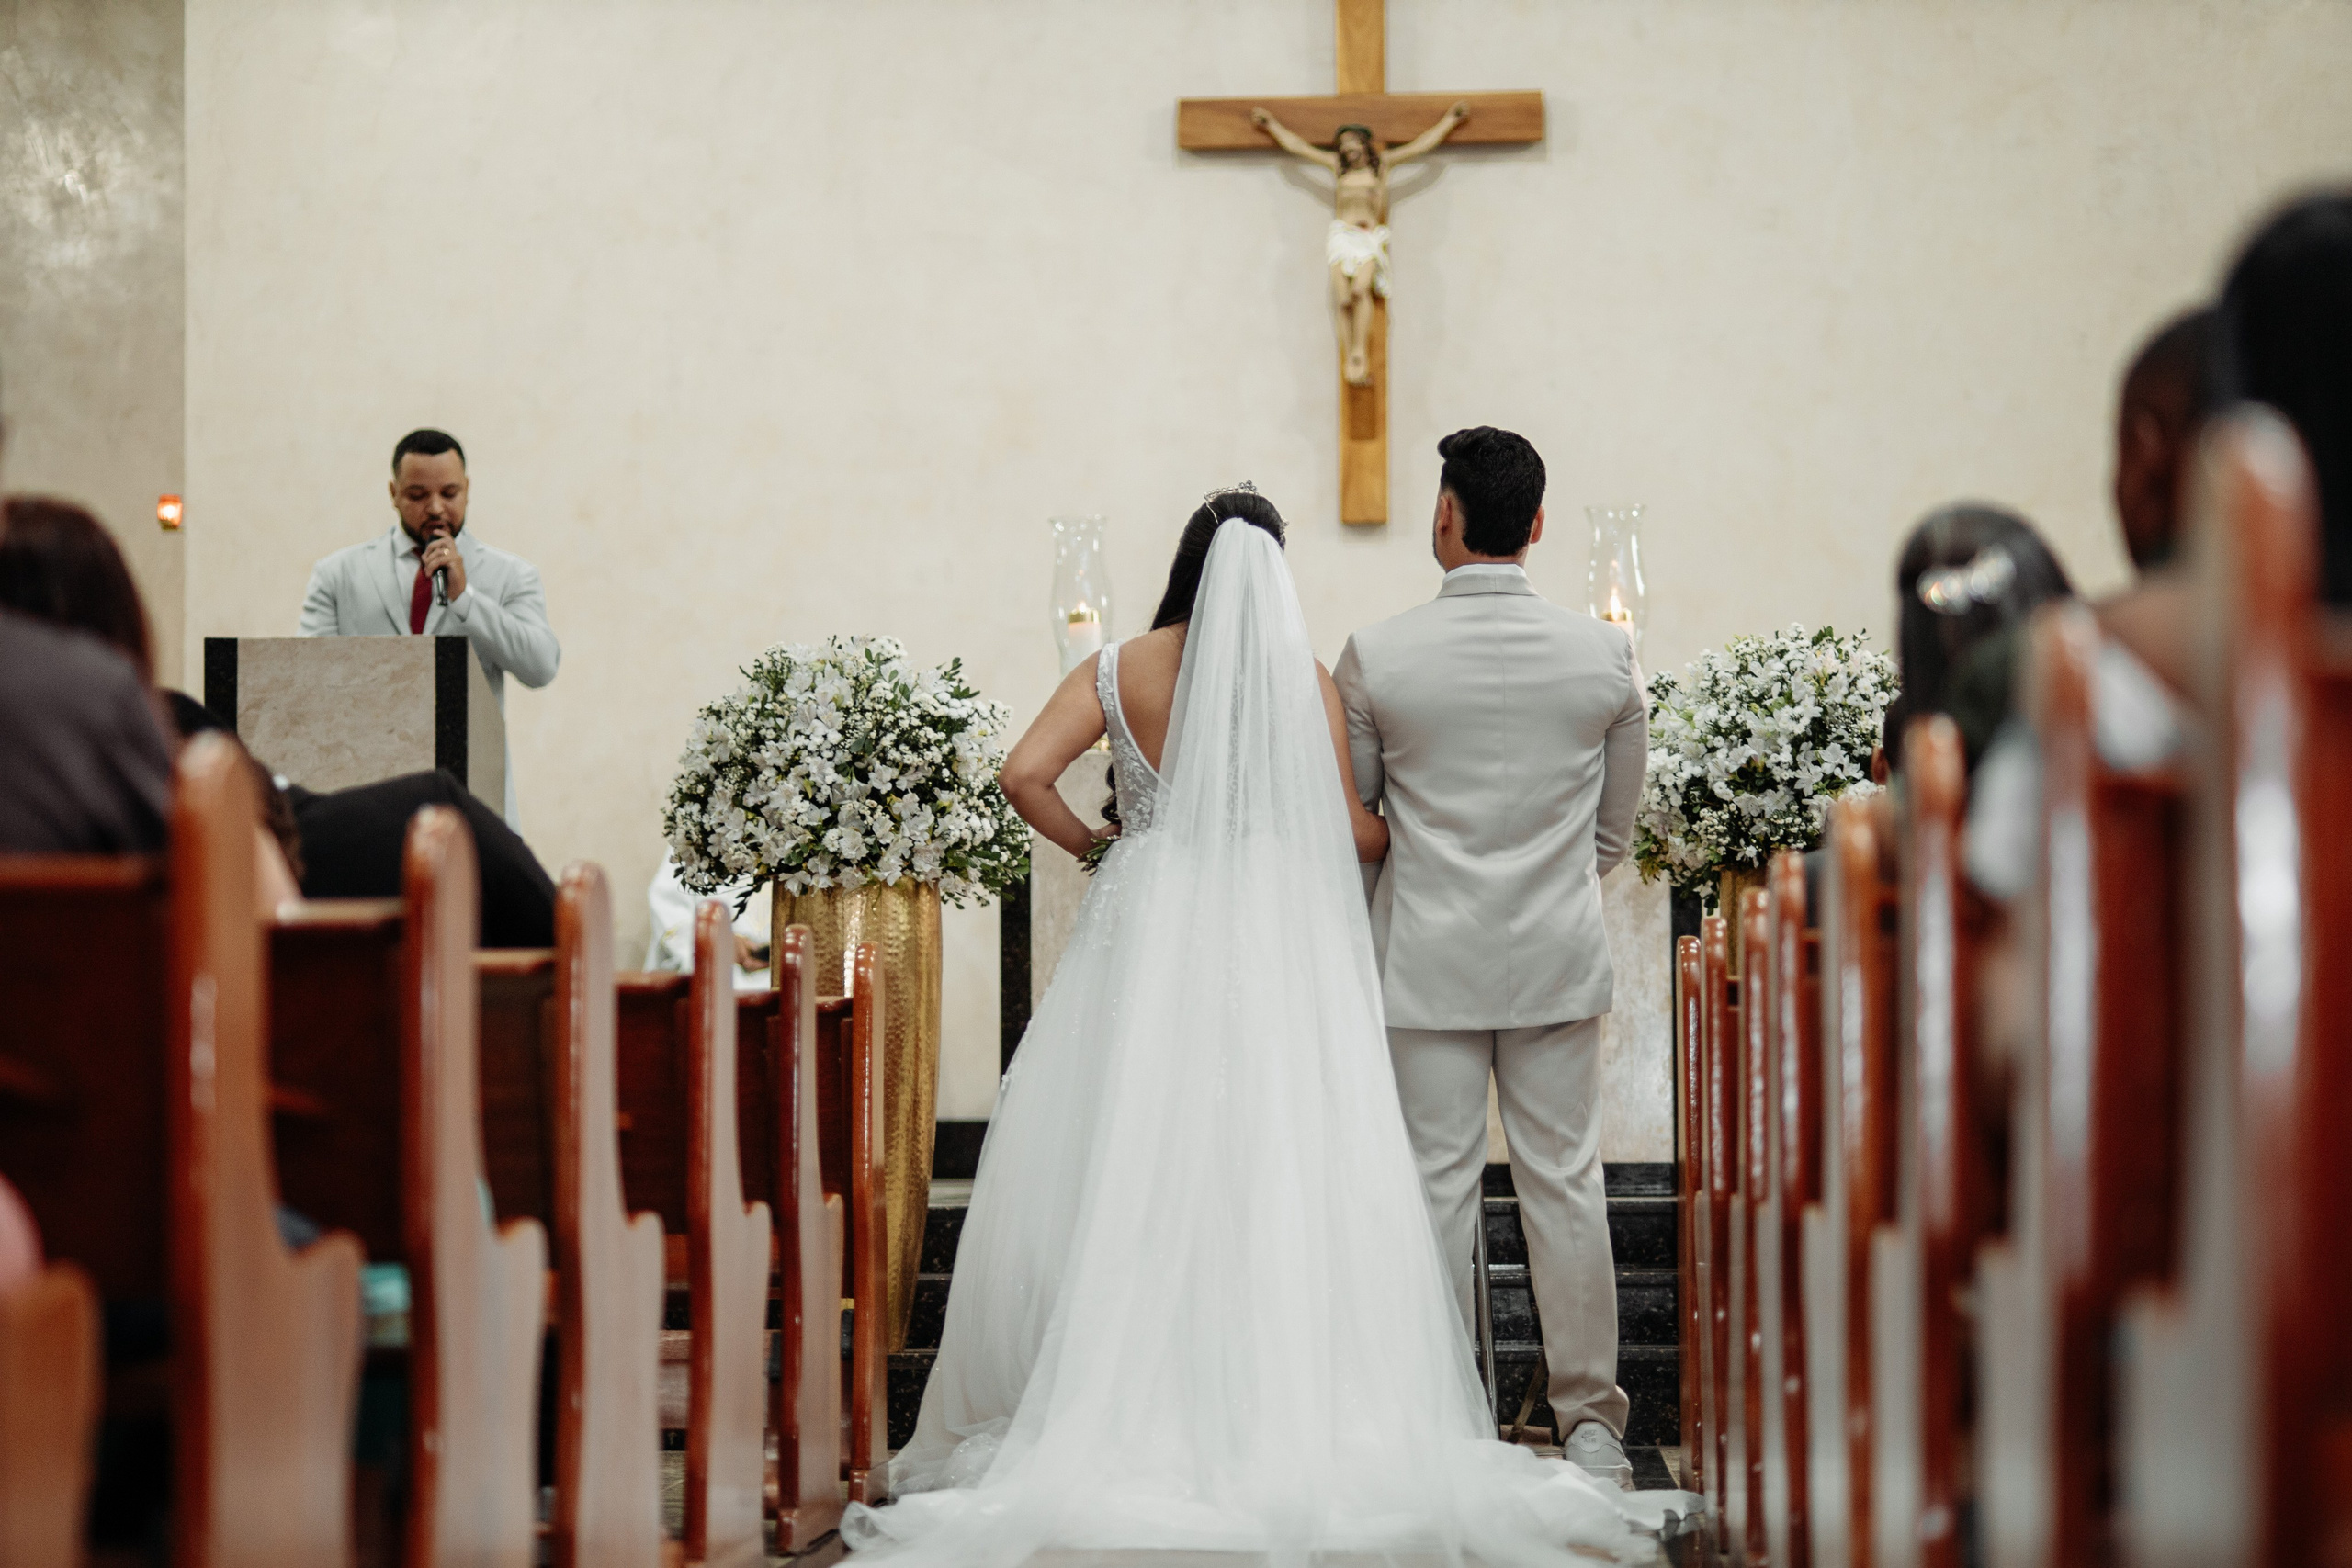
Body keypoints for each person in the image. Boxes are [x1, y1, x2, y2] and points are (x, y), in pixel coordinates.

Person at [846, 487, 1676, 1563]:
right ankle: (1283, 1391)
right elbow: (1357, 836)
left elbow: (1021, 775)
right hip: (1273, 936)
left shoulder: (1124, 667)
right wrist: (1428, 823)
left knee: (1132, 1157)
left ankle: (1116, 1392)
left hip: (1149, 932)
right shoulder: (1305, 681)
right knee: (1272, 1158)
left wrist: (1102, 849)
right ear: (1272, 571)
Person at [1333, 426, 1651, 1485]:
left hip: (1424, 959)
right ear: (1539, 525)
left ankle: (1436, 1414)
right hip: (1556, 958)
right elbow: (1614, 833)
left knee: (1433, 1186)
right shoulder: (1604, 656)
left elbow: (1364, 819)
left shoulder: (1377, 656)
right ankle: (1591, 1421)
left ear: (1445, 517)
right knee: (1565, 1182)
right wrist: (1548, 891)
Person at [299, 428, 560, 824]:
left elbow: (540, 666)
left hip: (472, 801)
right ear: (393, 493)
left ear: (468, 489)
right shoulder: (339, 575)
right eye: (418, 495)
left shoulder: (510, 576)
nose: (436, 508)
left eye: (450, 493)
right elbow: (308, 678)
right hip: (366, 796)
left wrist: (464, 598)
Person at [1250, 103, 1469, 386]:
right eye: (1342, 144)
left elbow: (1420, 146)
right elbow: (1300, 147)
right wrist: (1271, 125)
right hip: (1342, 237)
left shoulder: (1383, 166)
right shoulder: (1337, 169)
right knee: (1342, 299)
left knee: (1359, 290)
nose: (1347, 149)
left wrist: (1448, 121)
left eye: (1352, 142)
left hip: (1367, 239)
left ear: (1364, 144)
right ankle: (1350, 356)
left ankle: (1359, 351)